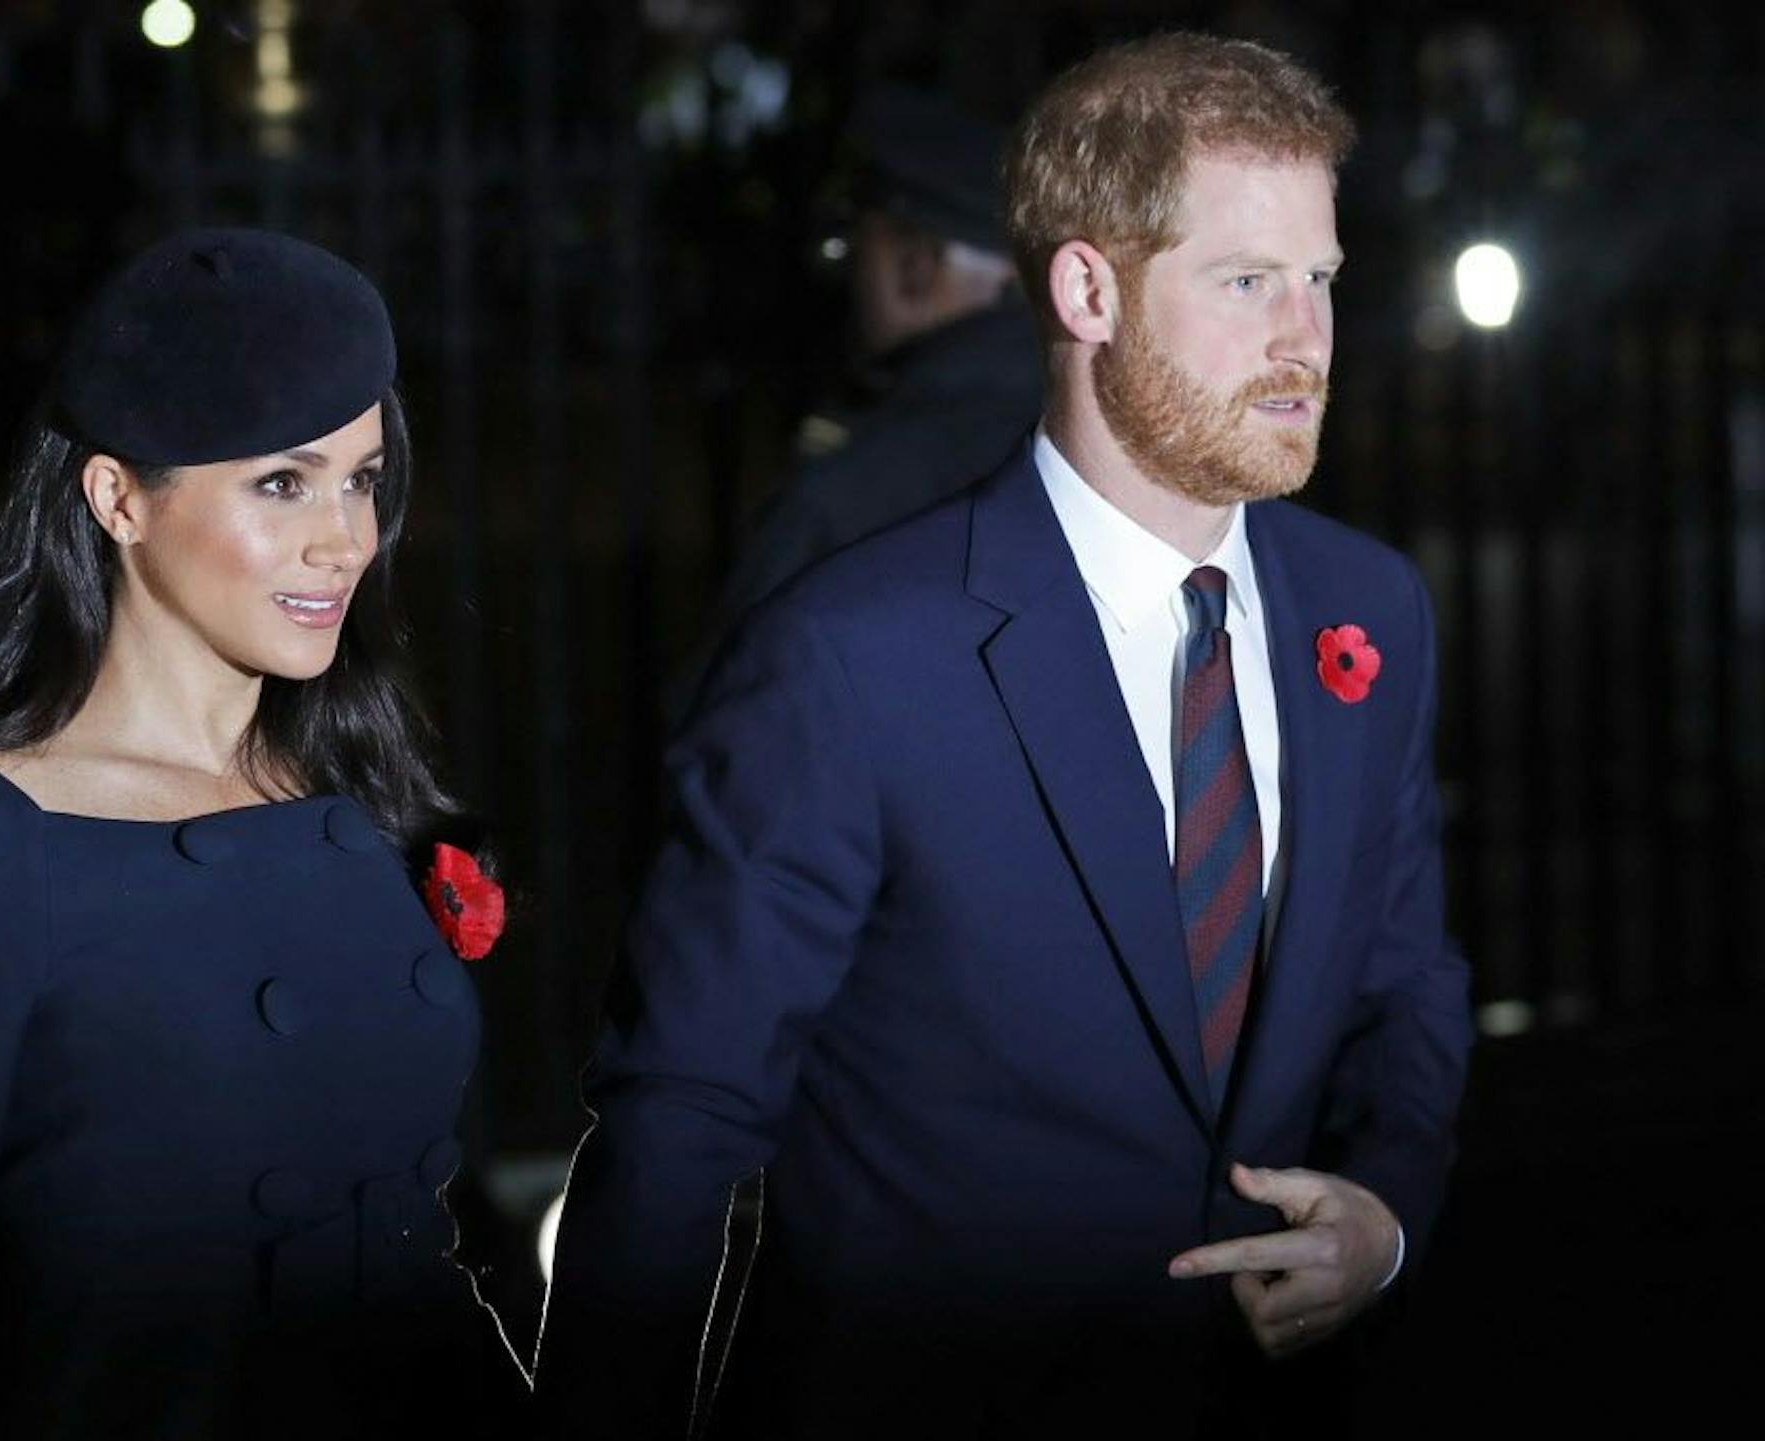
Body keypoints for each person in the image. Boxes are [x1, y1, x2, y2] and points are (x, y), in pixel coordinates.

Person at [537, 33, 1472, 1437]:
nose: (1306, 339)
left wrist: (1385, 1213)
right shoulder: (849, 653)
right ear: (1088, 288)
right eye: (1244, 281)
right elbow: (681, 1115)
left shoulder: (1366, 607)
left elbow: (1406, 979)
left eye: (1321, 279)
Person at [0, 227, 527, 1438]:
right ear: (118, 498)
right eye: (282, 482)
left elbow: (447, 1204)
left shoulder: (355, 784)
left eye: (361, 479)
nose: (344, 538)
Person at [675, 84, 1041, 720]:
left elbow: (736, 727)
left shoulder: (855, 493)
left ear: (916, 265)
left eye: (852, 250)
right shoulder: (1113, 446)